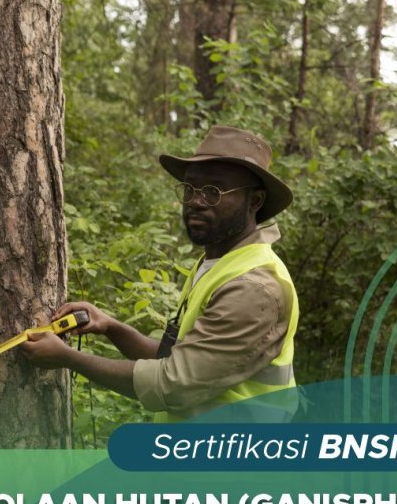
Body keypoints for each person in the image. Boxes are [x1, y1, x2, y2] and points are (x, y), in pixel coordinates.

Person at [22, 126, 300, 422]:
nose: (195, 201)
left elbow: (172, 383)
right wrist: (111, 327)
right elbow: (176, 356)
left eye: (213, 192)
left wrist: (68, 358)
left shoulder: (254, 288)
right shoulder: (217, 264)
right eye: (190, 189)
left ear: (254, 202)